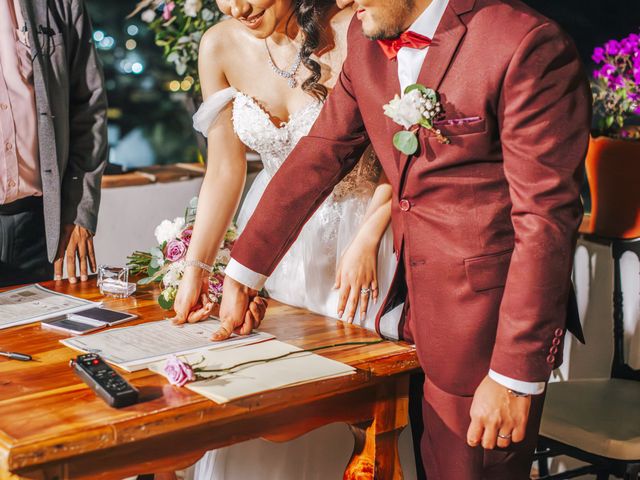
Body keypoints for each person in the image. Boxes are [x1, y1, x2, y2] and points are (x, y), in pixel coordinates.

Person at [215, 0, 592, 477]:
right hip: (402, 314)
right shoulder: (365, 35)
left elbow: (544, 222)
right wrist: (243, 273)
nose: (347, 2)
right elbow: (321, 153)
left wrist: (515, 378)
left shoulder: (524, 43)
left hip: (482, 332)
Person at [170, 0, 417, 478]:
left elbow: (402, 146)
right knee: (261, 398)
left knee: (352, 403)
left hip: (359, 240)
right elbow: (224, 168)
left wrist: (368, 237)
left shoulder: (355, 27)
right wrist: (196, 270)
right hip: (272, 240)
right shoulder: (218, 45)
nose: (237, 7)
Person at [0, 0, 108, 288]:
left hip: (37, 228)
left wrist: (79, 210)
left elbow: (89, 110)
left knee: (38, 332)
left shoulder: (61, 4)